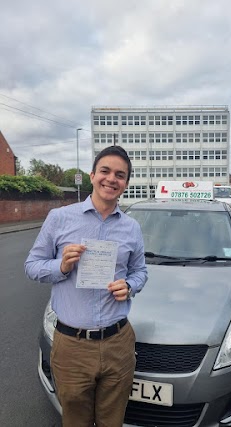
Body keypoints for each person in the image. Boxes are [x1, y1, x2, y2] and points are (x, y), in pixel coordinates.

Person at [25, 145, 148, 427]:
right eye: (105, 171)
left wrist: (129, 285)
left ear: (126, 184)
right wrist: (62, 266)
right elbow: (31, 266)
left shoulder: (132, 228)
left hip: (118, 342)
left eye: (120, 174)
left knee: (112, 421)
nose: (111, 179)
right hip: (72, 346)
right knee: (75, 421)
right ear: (92, 175)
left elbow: (140, 271)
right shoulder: (60, 218)